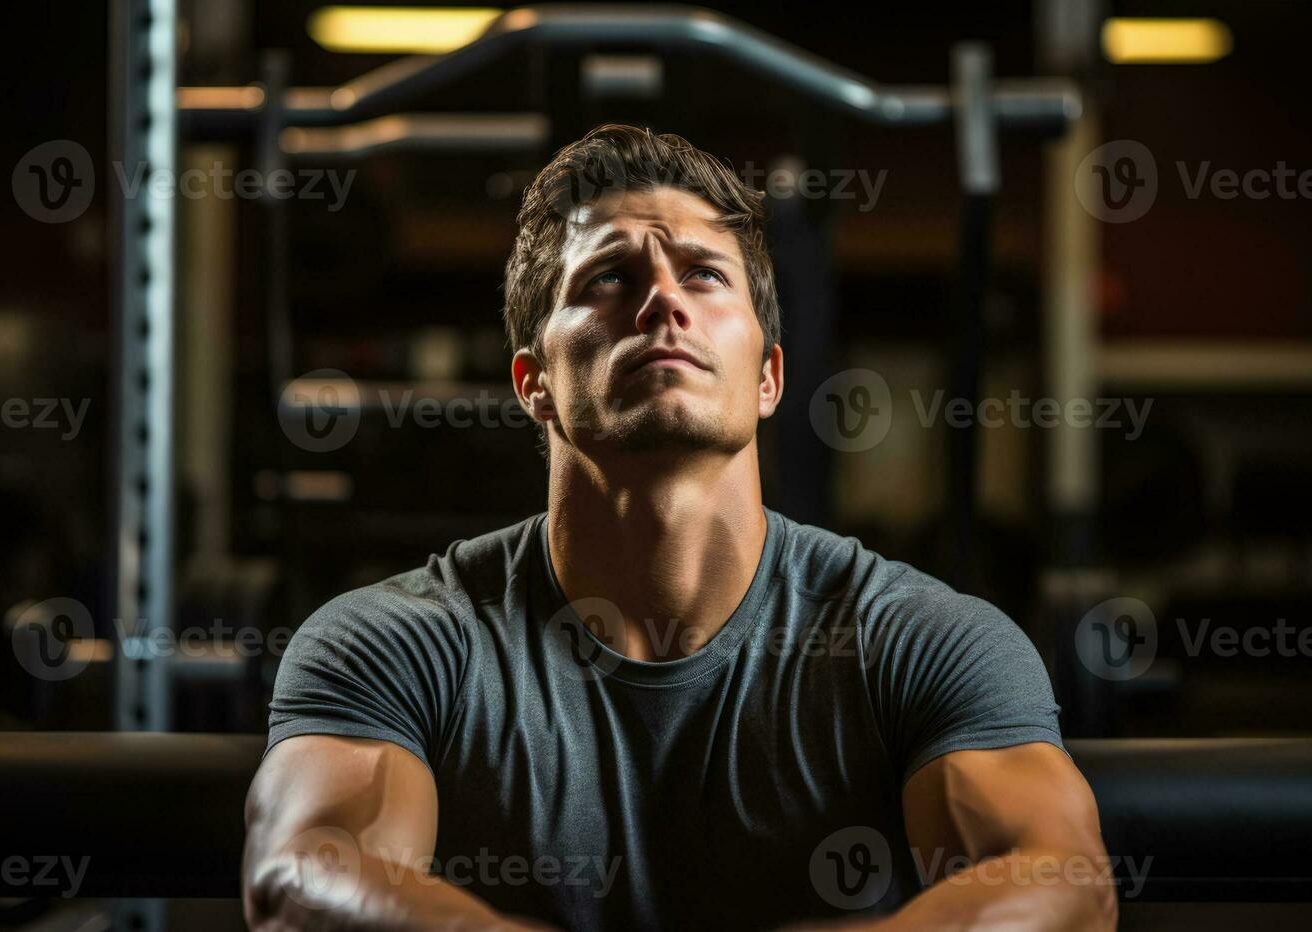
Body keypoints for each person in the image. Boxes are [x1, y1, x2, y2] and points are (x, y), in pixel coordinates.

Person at [243, 125, 1117, 931]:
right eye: (609, 278)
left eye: (703, 273)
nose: (663, 299)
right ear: (533, 382)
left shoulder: (917, 638)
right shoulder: (400, 641)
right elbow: (302, 874)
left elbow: (1061, 880)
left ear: (769, 376)